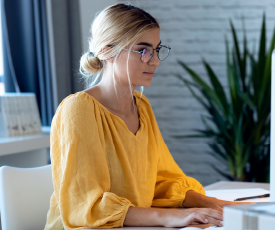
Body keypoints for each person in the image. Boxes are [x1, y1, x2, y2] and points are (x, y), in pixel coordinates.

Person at [43, 3, 248, 230]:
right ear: (107, 50)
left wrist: (212, 203)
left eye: (157, 49)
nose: (155, 61)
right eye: (143, 50)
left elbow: (161, 180)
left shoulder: (142, 106)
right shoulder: (78, 109)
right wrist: (167, 217)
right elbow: (86, 206)